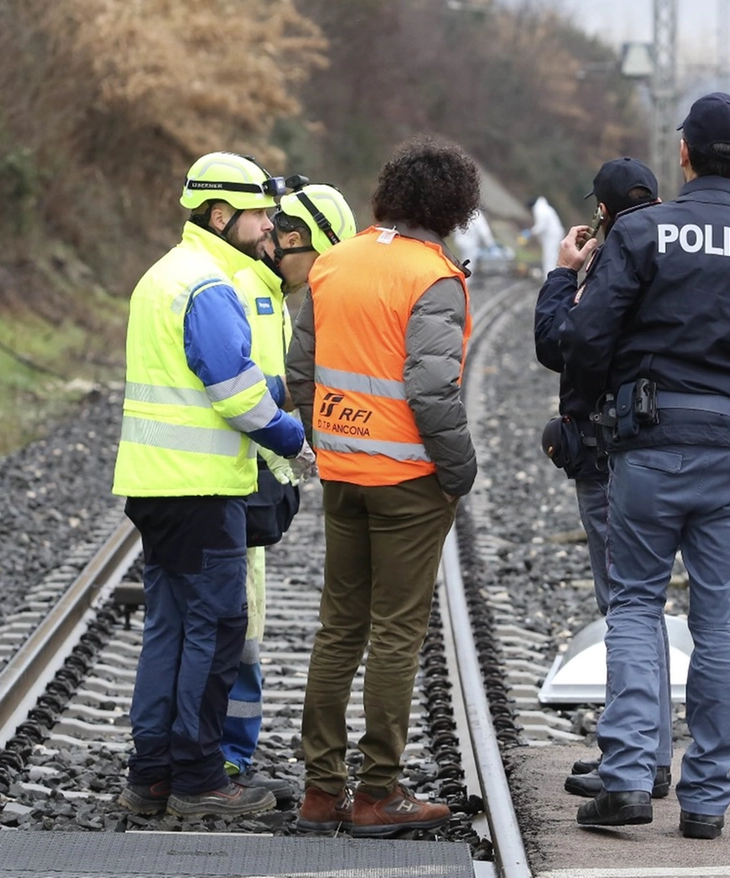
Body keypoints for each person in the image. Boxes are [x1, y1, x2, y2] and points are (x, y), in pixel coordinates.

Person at [561, 93, 730, 839]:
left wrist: (580, 414)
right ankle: (707, 798)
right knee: (716, 623)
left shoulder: (644, 232)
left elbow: (589, 334)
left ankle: (626, 777)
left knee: (637, 606)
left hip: (647, 449)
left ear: (683, 155)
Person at [287, 137, 480, 838]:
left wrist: (328, 438)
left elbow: (299, 370)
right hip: (408, 482)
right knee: (397, 634)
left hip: (343, 474)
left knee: (339, 628)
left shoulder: (333, 263)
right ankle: (377, 793)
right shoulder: (431, 277)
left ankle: (319, 790)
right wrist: (458, 471)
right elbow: (433, 393)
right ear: (454, 206)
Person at [112, 151, 308, 820]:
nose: (266, 226)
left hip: (155, 485)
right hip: (200, 489)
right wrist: (291, 437)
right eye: (256, 214)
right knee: (219, 626)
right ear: (220, 214)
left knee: (168, 627)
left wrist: (276, 389)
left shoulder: (163, 276)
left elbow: (201, 374)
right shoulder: (209, 284)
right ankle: (199, 778)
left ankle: (152, 777)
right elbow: (234, 392)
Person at [531, 158, 672, 800]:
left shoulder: (613, 261)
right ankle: (655, 756)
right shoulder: (681, 251)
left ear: (606, 212)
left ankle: (635, 761)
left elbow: (559, 343)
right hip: (680, 447)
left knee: (627, 608)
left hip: (612, 454)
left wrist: (563, 273)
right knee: (656, 607)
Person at [222, 182, 357, 805]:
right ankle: (219, 763)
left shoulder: (279, 293)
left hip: (254, 486)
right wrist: (296, 439)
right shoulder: (249, 290)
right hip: (232, 481)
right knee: (230, 627)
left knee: (242, 626)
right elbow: (248, 390)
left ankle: (227, 756)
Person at [451, 207, 497, 279]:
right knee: (468, 266)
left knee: (457, 263)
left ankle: (455, 280)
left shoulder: (463, 211)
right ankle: (463, 284)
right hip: (469, 244)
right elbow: (484, 232)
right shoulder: (478, 216)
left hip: (458, 242)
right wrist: (490, 244)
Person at [528, 195, 565, 275]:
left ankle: (549, 278)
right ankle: (554, 277)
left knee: (549, 258)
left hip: (552, 236)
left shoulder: (540, 209)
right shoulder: (544, 207)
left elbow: (541, 225)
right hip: (554, 234)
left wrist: (532, 232)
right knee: (554, 257)